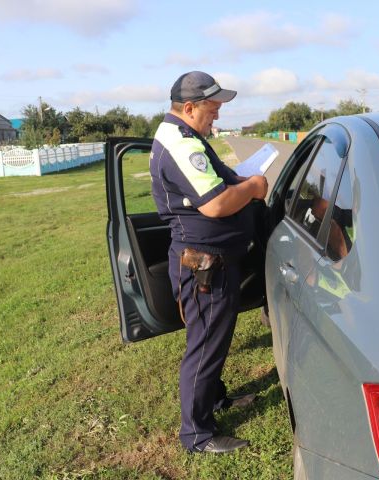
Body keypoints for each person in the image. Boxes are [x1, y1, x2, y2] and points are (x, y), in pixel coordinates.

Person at [149, 71, 268, 454]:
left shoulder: (188, 137)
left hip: (210, 260)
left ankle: (215, 400)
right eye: (212, 109)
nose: (216, 115)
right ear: (189, 107)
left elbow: (219, 181)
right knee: (204, 344)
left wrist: (240, 180)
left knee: (212, 336)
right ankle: (197, 435)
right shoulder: (182, 146)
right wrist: (252, 188)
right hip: (204, 265)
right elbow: (216, 205)